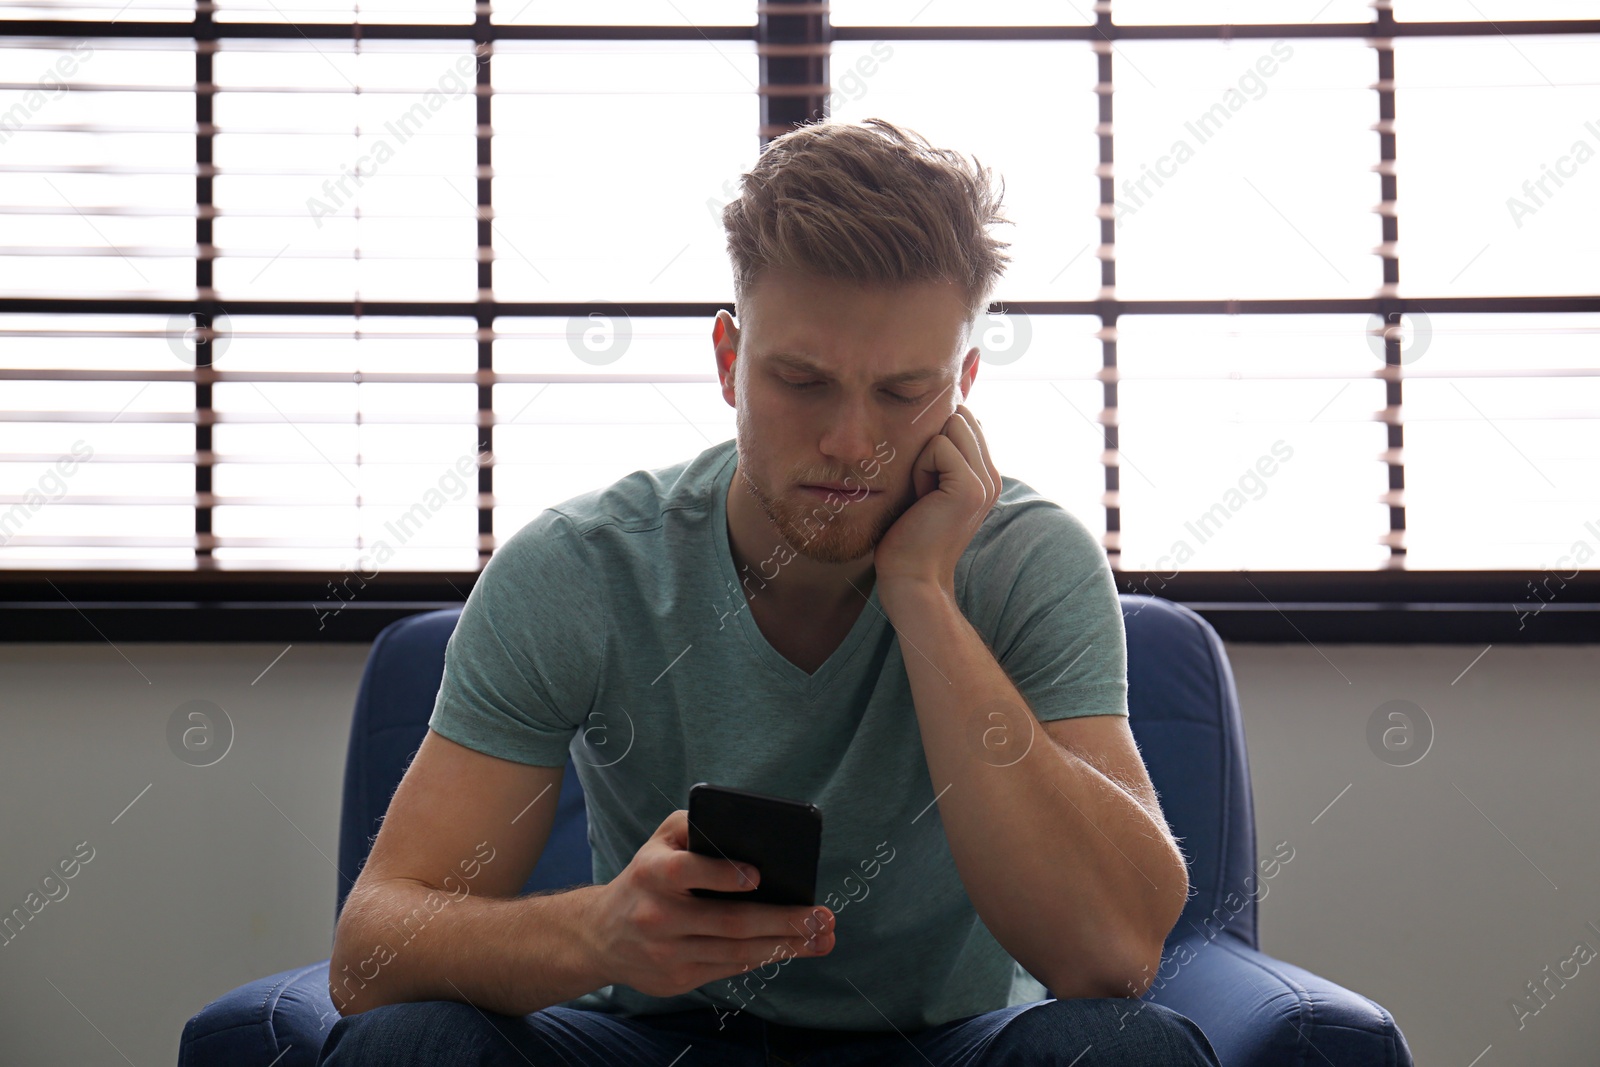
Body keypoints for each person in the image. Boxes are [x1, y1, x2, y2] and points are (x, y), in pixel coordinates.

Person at [317, 117, 1220, 1066]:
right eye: (802, 380)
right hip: (656, 1042)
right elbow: (373, 949)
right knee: (409, 1044)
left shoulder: (1029, 561)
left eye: (905, 393)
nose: (849, 442)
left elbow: (1112, 954)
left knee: (1125, 1048)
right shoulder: (581, 568)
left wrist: (920, 591)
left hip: (944, 1045)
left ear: (963, 386)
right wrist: (602, 933)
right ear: (727, 363)